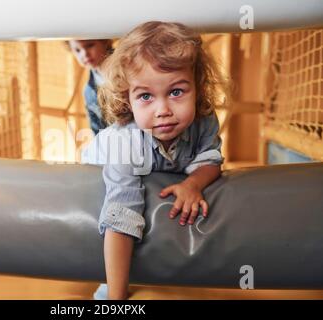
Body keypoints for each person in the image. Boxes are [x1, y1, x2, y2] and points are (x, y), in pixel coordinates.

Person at [81, 21, 229, 300]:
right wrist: (116, 297)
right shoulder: (123, 144)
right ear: (128, 98)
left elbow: (210, 158)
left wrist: (194, 183)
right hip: (98, 167)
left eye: (176, 92)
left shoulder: (204, 120)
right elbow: (120, 214)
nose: (163, 111)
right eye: (146, 96)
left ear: (197, 87)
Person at [67, 39, 113, 134]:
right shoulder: (89, 92)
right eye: (77, 50)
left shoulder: (129, 65)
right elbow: (96, 130)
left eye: (89, 45)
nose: (84, 54)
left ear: (105, 42)